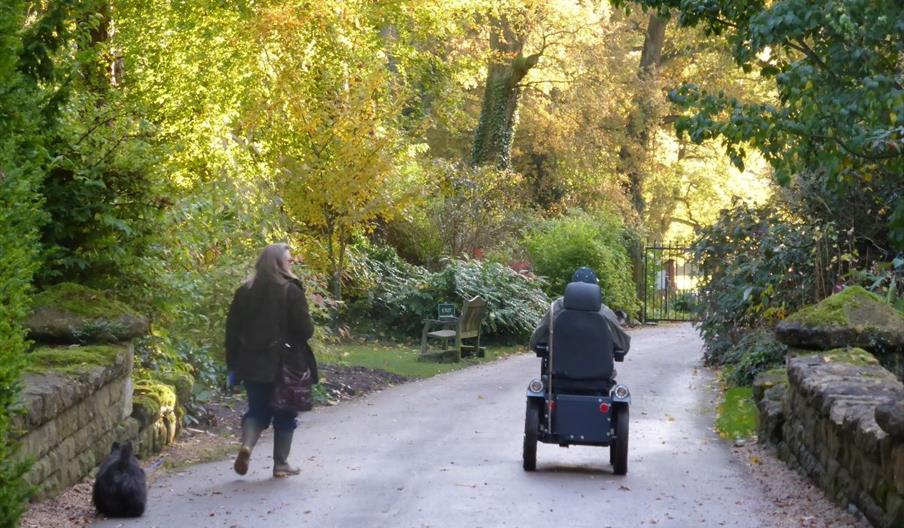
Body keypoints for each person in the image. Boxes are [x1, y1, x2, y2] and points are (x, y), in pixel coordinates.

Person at [225, 243, 318, 478]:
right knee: (285, 413)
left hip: (251, 364)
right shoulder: (291, 291)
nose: (291, 263)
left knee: (257, 410)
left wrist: (233, 365)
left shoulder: (244, 291)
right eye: (289, 259)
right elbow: (305, 330)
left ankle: (247, 446)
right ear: (279, 263)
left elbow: (232, 332)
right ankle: (280, 464)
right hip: (285, 364)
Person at [529, 267, 631, 355]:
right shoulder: (604, 312)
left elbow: (535, 341)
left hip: (559, 373)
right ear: (595, 287)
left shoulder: (556, 308)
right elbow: (624, 346)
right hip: (599, 374)